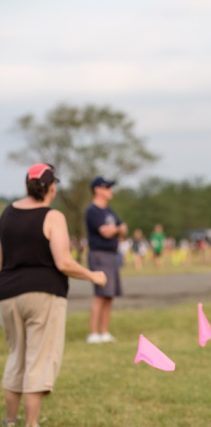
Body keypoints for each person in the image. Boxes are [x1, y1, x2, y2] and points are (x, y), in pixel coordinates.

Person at [0, 164, 107, 427]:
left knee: (17, 357)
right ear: (51, 188)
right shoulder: (53, 217)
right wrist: (94, 276)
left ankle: (10, 421)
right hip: (44, 294)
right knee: (39, 359)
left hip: (9, 294)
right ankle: (32, 423)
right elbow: (63, 263)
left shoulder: (7, 214)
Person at [85, 176, 128, 344]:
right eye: (107, 187)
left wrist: (115, 229)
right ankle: (93, 333)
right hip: (99, 255)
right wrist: (117, 229)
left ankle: (104, 331)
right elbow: (106, 232)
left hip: (112, 254)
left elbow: (123, 229)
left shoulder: (110, 211)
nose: (111, 191)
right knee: (100, 294)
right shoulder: (93, 211)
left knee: (110, 295)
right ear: (97, 190)